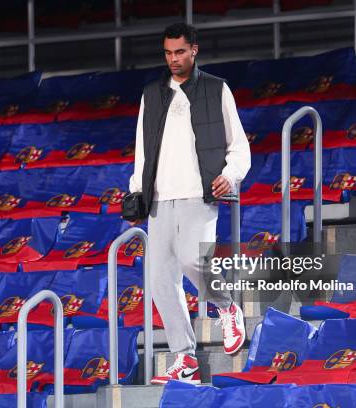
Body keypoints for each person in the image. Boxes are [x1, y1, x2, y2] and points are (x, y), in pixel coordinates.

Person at [127, 22, 251, 385]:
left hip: (200, 192)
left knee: (192, 259)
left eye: (180, 52)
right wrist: (137, 190)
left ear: (194, 50)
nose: (174, 59)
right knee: (160, 281)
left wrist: (231, 174)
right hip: (158, 198)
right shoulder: (152, 93)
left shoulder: (216, 89)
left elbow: (239, 147)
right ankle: (185, 358)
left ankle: (227, 307)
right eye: (168, 53)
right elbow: (142, 149)